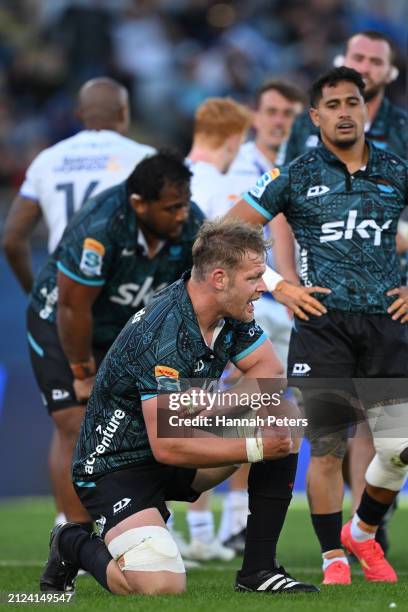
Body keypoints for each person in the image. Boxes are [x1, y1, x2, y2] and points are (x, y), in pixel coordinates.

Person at [40, 219, 319, 596]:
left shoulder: (229, 312)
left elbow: (270, 371)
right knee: (159, 586)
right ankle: (71, 541)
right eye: (255, 278)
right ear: (220, 278)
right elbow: (167, 445)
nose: (262, 289)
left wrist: (212, 409)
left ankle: (259, 570)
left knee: (282, 412)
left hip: (176, 449)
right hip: (117, 467)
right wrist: (255, 447)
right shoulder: (165, 332)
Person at [225, 67, 408, 585]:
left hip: (386, 326)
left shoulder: (397, 170)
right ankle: (334, 559)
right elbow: (227, 229)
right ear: (316, 116)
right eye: (333, 105)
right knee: (328, 446)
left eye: (354, 102)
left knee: (399, 449)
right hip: (322, 326)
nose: (345, 112)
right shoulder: (295, 174)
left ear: (367, 109)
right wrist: (279, 285)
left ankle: (363, 532)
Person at [26, 150, 203, 536]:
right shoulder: (101, 225)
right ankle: (71, 536)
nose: (182, 215)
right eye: (172, 208)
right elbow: (73, 308)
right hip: (63, 323)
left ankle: (138, 523)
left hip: (125, 330)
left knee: (146, 427)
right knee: (74, 421)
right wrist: (81, 372)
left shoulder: (192, 224)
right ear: (139, 204)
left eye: (186, 205)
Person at [2, 77, 154, 525]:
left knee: (69, 425)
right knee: (135, 422)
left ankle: (69, 531)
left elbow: (13, 239)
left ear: (79, 115)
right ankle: (136, 525)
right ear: (123, 115)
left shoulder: (49, 159)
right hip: (123, 304)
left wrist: (39, 293)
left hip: (63, 304)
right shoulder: (142, 159)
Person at [220, 80, 305, 551]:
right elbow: (229, 237)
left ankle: (239, 523)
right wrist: (277, 284)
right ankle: (221, 521)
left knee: (276, 409)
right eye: (272, 111)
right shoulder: (240, 170)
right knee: (240, 404)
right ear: (257, 115)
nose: (279, 121)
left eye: (288, 114)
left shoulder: (298, 169)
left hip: (286, 303)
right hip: (251, 302)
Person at [182, 96, 251, 561]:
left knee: (187, 420)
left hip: (168, 317)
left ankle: (200, 531)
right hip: (196, 320)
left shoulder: (174, 176)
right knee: (190, 424)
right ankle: (178, 529)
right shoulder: (212, 185)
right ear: (232, 139)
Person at [285, 30, 407, 161]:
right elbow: (283, 177)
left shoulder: (404, 131)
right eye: (358, 58)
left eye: (376, 62)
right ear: (340, 63)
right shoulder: (303, 125)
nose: (364, 68)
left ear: (391, 73)